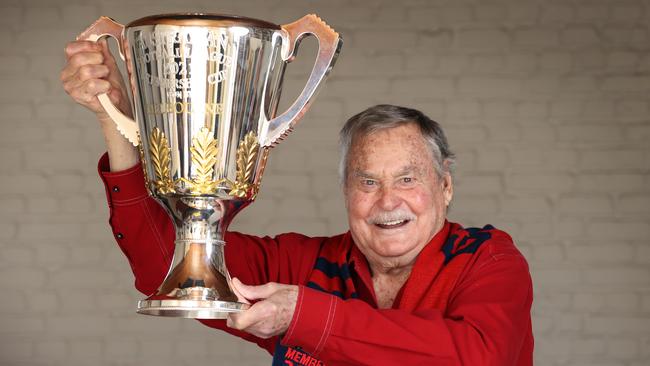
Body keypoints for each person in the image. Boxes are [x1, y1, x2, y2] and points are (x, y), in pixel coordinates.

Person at [61, 39, 534, 365]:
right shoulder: (302, 265)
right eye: (366, 181)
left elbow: (477, 357)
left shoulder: (487, 259)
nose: (388, 200)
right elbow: (168, 265)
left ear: (445, 187)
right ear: (346, 191)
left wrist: (303, 315)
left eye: (407, 178)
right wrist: (115, 118)